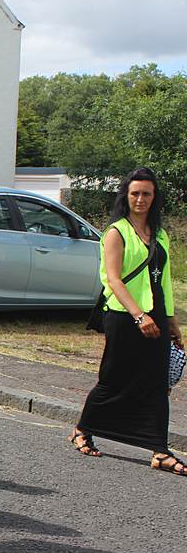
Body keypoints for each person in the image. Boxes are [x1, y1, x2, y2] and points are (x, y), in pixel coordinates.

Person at [71, 167, 186, 476]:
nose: (140, 199)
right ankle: (83, 428)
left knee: (157, 382)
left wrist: (171, 320)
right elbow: (113, 279)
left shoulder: (159, 232)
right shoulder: (115, 232)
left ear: (154, 197)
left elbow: (164, 280)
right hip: (124, 316)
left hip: (156, 315)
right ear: (126, 196)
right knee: (114, 378)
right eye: (135, 193)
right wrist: (139, 315)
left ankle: (160, 450)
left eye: (147, 193)